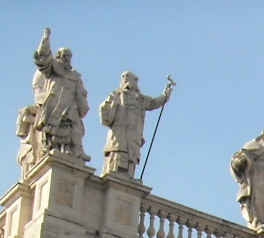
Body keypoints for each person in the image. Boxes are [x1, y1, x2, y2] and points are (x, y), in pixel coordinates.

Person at [30, 28, 90, 163]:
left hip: (71, 105)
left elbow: (81, 91)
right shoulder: (52, 69)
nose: (67, 59)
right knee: (53, 129)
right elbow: (43, 58)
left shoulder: (75, 75)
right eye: (64, 55)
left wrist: (83, 104)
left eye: (69, 56)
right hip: (54, 102)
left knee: (76, 127)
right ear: (58, 57)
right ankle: (52, 148)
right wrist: (45, 39)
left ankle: (76, 150)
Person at [99, 72, 173, 178]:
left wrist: (165, 95)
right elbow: (105, 112)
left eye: (128, 77)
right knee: (117, 151)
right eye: (123, 77)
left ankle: (129, 177)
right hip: (119, 133)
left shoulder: (140, 99)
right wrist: (113, 108)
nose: (125, 79)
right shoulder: (117, 94)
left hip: (134, 135)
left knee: (131, 155)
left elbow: (153, 103)